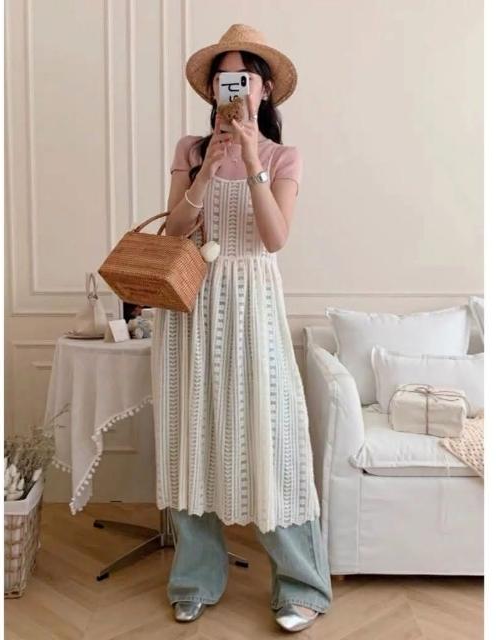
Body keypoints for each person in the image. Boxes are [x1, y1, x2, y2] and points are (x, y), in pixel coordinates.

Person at [150, 24, 333, 632]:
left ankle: (301, 584)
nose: (235, 86)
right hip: (191, 306)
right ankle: (195, 578)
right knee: (192, 434)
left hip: (253, 304)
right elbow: (174, 233)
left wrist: (252, 157)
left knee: (273, 437)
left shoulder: (284, 156)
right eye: (225, 77)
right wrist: (207, 169)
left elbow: (275, 238)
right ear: (212, 90)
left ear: (265, 88)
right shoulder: (190, 149)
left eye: (246, 76)